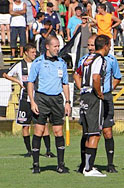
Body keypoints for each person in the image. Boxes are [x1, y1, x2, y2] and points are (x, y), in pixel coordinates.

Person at [74, 34, 122, 174]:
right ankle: (88, 168)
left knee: (91, 132)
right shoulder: (100, 59)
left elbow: (77, 73)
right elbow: (96, 77)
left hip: (85, 96)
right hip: (94, 97)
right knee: (94, 133)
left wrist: (83, 88)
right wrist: (99, 92)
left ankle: (89, 166)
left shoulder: (88, 58)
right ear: (106, 45)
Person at [3, 43, 56, 158]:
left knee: (43, 124)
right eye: (32, 52)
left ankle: (48, 150)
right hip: (25, 99)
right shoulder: (20, 65)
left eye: (35, 52)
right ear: (26, 52)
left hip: (38, 98)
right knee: (25, 125)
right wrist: (18, 81)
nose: (34, 54)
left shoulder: (39, 63)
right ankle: (29, 150)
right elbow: (5, 74)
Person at [27, 36, 71, 174]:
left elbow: (65, 83)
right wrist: (32, 101)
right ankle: (36, 164)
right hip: (41, 99)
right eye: (55, 46)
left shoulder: (62, 63)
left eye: (58, 46)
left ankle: (60, 165)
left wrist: (68, 102)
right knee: (38, 131)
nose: (58, 49)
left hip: (57, 100)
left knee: (58, 132)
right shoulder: (38, 62)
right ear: (47, 47)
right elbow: (30, 82)